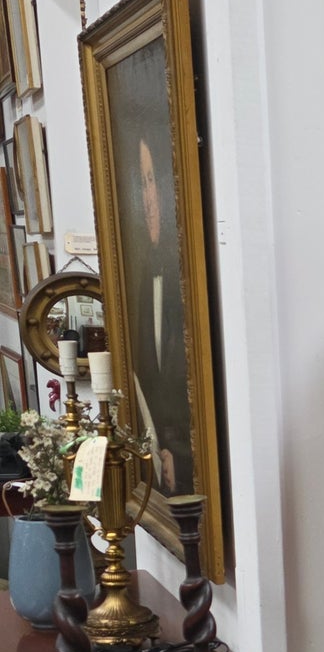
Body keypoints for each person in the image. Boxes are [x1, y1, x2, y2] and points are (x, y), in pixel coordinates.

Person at [125, 135, 192, 495]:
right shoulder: (146, 270)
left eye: (152, 182)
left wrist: (178, 454)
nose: (146, 199)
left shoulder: (190, 271)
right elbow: (150, 371)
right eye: (142, 182)